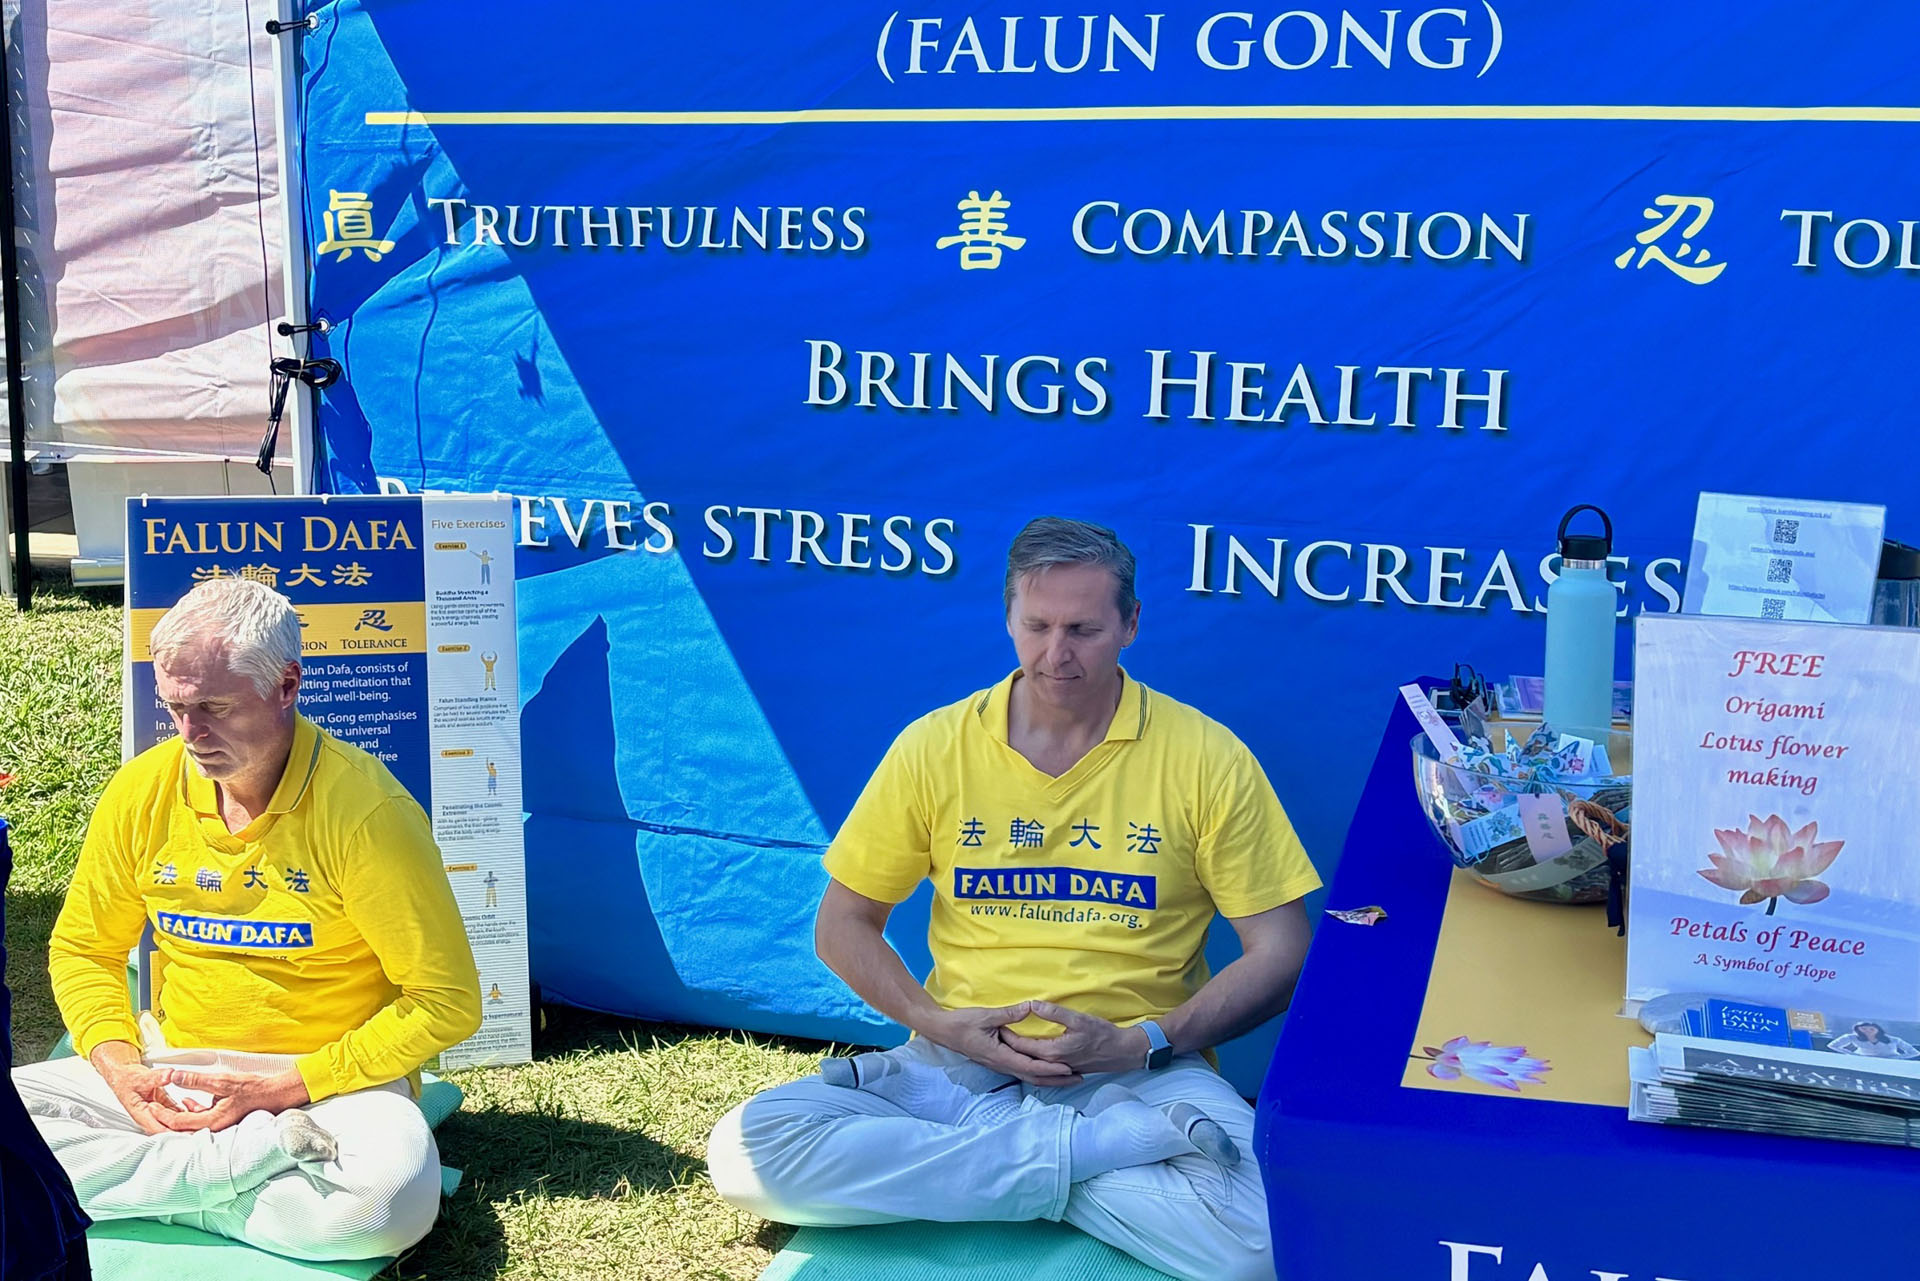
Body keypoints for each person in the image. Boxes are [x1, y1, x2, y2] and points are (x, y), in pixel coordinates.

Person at [708, 517, 1321, 1281]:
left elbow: (1283, 950)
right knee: (746, 1152)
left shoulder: (1206, 756)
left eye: (1083, 629)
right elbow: (842, 924)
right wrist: (939, 1024)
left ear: (1131, 623)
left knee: (1264, 1247)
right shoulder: (935, 745)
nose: (1056, 653)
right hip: (956, 1065)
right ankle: (1091, 1154)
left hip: (1141, 1069)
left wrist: (1143, 1041)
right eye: (1037, 626)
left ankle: (992, 1160)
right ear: (1008, 618)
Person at [12, 577, 482, 1261]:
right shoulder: (140, 790)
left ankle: (127, 1189)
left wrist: (288, 1086)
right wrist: (121, 1068)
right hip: (172, 1071)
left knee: (385, 1202)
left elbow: (447, 1001)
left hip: (324, 1086)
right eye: (175, 706)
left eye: (214, 707)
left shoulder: (368, 812)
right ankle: (238, 1177)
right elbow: (85, 949)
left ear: (287, 685)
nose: (190, 733)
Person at [1828, 1021, 1920, 1059]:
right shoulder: (1851, 1037)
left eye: (1871, 1029)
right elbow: (1833, 1045)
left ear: (1878, 1029)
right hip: (1864, 1063)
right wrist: (1853, 1055)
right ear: (1858, 1030)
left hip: (1890, 1064)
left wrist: (1896, 1058)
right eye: (1864, 1029)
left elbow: (1914, 1052)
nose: (1867, 1031)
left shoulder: (1894, 1040)